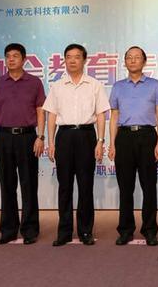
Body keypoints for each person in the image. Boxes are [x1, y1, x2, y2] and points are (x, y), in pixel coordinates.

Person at [43, 43, 110, 246]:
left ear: (84, 60)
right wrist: (51, 142)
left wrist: (100, 141)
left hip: (86, 136)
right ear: (64, 60)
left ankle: (85, 231)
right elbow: (51, 115)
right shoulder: (57, 86)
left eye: (77, 57)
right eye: (68, 57)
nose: (72, 60)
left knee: (85, 185)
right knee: (64, 186)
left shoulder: (94, 85)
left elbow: (101, 114)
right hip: (64, 136)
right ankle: (64, 232)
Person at [0, 43, 45, 245]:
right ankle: (8, 230)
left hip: (27, 137)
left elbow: (40, 110)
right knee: (7, 185)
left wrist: (41, 136)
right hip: (4, 137)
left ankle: (30, 230)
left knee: (29, 185)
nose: (11, 59)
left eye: (15, 56)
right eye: (8, 56)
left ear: (24, 59)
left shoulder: (34, 82)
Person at [108, 46, 158, 246]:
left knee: (149, 186)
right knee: (125, 187)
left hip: (147, 136)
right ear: (125, 62)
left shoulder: (154, 85)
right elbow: (114, 116)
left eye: (137, 57)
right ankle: (125, 230)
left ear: (144, 61)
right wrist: (112, 143)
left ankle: (150, 230)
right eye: (129, 58)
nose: (133, 60)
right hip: (124, 137)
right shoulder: (118, 87)